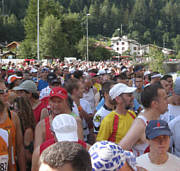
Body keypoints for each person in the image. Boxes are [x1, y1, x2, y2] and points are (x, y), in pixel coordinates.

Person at [119, 83, 168, 156]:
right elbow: (120, 150)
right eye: (165, 99)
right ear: (155, 104)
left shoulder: (158, 118)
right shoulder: (140, 124)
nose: (168, 101)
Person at [0, 80, 26, 171]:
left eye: (6, 91)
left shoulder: (13, 116)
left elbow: (20, 148)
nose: (5, 94)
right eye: (1, 92)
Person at [65, 78, 93, 143]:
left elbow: (89, 120)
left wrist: (79, 107)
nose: (84, 90)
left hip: (85, 138)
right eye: (81, 88)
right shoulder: (65, 105)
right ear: (75, 90)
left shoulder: (85, 103)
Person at [13, 96, 36, 171]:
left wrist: (14, 157)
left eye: (15, 109)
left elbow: (28, 156)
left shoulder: (28, 131)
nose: (14, 112)